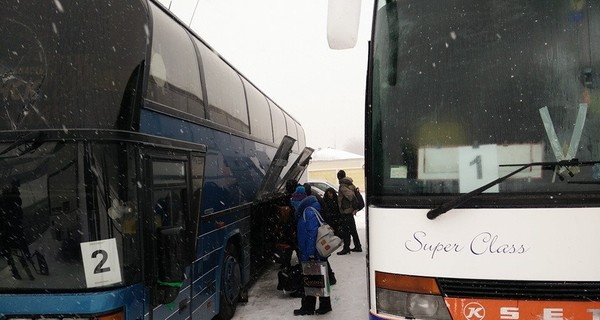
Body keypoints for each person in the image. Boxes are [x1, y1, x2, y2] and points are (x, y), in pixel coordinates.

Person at [290, 186, 333, 316]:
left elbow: (312, 233)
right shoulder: (310, 209)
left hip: (312, 252)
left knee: (310, 280)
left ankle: (308, 307)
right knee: (318, 279)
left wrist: (309, 253)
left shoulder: (307, 211)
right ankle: (325, 305)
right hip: (315, 252)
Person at [336, 170, 362, 255]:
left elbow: (351, 196)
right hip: (350, 211)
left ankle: (346, 248)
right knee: (353, 230)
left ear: (339, 177)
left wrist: (352, 207)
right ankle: (358, 246)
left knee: (346, 231)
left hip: (346, 211)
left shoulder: (343, 186)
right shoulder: (350, 184)